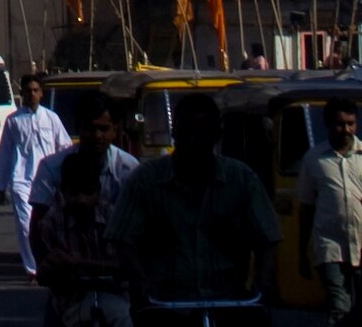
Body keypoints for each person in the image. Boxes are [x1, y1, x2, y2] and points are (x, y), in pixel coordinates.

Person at [106, 90, 279, 315]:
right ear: (175, 133)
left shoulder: (242, 180)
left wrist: (261, 287)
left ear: (217, 135)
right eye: (187, 133)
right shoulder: (145, 180)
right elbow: (122, 239)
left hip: (230, 302)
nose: (194, 141)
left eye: (203, 134)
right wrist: (140, 285)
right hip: (165, 305)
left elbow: (268, 239)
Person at [30, 139, 132, 327]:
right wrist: (53, 269)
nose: (82, 200)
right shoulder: (52, 222)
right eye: (75, 193)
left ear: (98, 191)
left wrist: (79, 263)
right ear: (63, 192)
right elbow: (44, 272)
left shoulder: (112, 218)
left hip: (113, 295)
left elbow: (129, 264)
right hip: (69, 302)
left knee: (122, 319)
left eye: (88, 192)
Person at [0, 72, 74, 277]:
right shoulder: (13, 121)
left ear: (41, 94)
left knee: (49, 225)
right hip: (21, 179)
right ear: (21, 93)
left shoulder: (52, 118)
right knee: (25, 226)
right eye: (28, 91)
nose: (32, 94)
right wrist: (0, 184)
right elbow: (5, 152)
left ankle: (50, 264)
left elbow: (65, 147)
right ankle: (33, 270)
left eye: (35, 90)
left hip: (48, 181)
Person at [295, 92, 362, 322]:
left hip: (361, 244)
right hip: (330, 247)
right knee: (339, 306)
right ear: (328, 124)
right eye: (340, 124)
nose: (346, 130)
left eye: (351, 124)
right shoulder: (313, 159)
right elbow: (306, 208)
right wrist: (302, 252)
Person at [30, 95, 138, 221]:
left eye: (103, 129)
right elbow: (38, 224)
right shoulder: (51, 168)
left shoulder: (128, 169)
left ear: (115, 130)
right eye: (90, 128)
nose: (97, 135)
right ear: (78, 128)